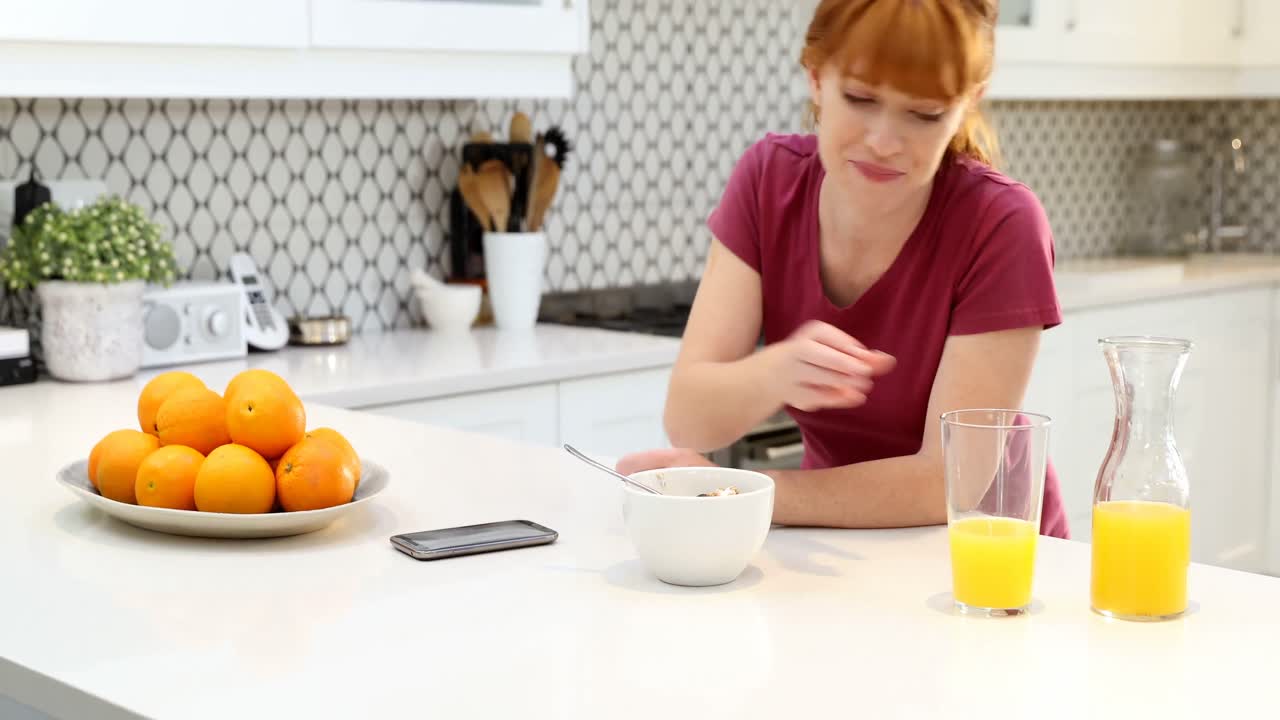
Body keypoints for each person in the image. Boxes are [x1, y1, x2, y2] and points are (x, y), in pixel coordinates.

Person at [616, 0, 1068, 538]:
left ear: (969, 103)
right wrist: (773, 374)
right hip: (836, 540)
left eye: (924, 114)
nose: (883, 141)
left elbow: (951, 481)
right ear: (815, 78)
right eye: (860, 98)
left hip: (987, 553)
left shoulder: (1002, 224)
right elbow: (689, 420)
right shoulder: (768, 182)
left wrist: (736, 494)